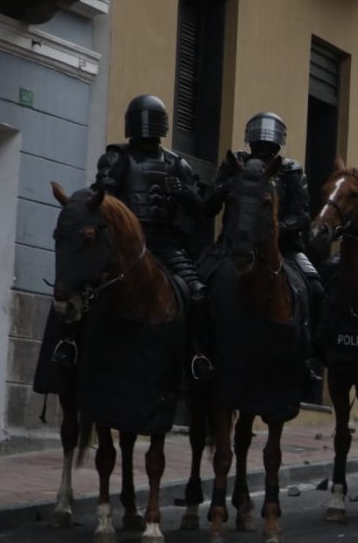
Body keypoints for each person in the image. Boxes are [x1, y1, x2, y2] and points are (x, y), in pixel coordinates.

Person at [76, 95, 213, 379]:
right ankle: (70, 345)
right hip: (125, 245)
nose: (147, 128)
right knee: (81, 285)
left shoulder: (177, 163)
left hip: (165, 243)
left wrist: (184, 193)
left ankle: (197, 355)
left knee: (198, 294)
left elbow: (201, 208)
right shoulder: (117, 157)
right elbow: (104, 197)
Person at [206, 112, 324, 319]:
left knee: (315, 287)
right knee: (199, 282)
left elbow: (302, 215)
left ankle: (310, 345)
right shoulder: (233, 165)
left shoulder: (292, 172)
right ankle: (199, 346)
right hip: (233, 245)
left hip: (284, 248)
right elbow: (210, 203)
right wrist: (228, 185)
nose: (262, 147)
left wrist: (272, 228)